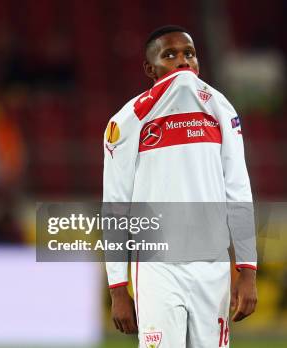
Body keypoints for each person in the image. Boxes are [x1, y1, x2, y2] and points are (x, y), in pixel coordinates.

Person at [103, 25, 257, 347]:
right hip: (156, 267)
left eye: (190, 54)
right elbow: (116, 204)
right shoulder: (126, 122)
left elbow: (238, 191)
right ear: (150, 68)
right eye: (170, 55)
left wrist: (248, 269)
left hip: (212, 266)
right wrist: (118, 288)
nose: (183, 62)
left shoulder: (221, 110)